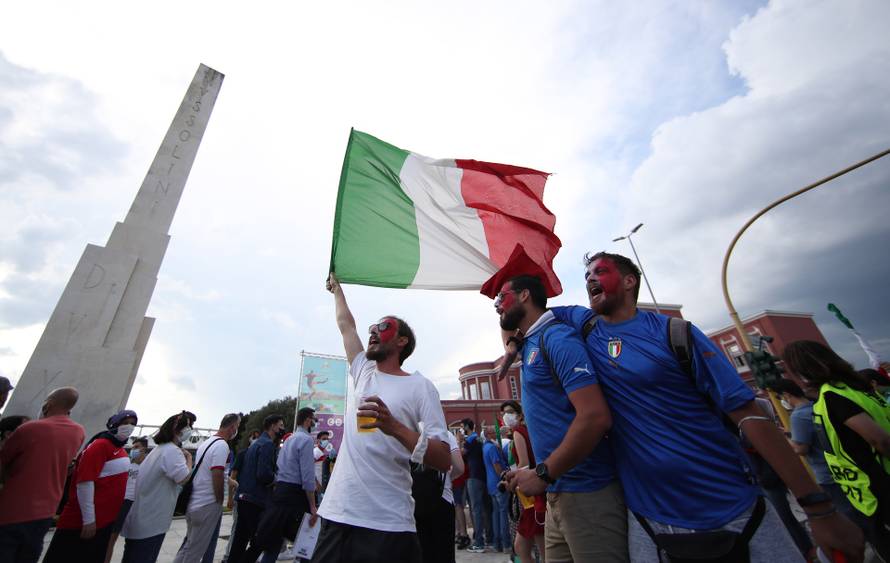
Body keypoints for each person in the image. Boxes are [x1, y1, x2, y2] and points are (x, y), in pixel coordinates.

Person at [545, 251, 863, 562]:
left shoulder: (675, 333)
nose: (590, 280)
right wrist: (517, 341)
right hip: (648, 520)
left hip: (732, 511)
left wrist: (818, 509)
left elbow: (750, 416)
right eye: (587, 276)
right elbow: (535, 313)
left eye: (599, 272)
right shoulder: (584, 325)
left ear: (629, 281)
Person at [312, 273, 451, 563]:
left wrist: (394, 427)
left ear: (402, 341)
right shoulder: (364, 371)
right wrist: (337, 290)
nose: (373, 331)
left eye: (383, 327)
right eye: (372, 327)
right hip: (338, 514)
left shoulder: (420, 387)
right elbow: (346, 325)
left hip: (387, 523)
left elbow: (443, 458)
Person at [494, 274, 626, 562]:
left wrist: (542, 473)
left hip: (589, 495)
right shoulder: (529, 344)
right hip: (556, 496)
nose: (496, 305)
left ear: (525, 295)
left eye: (501, 297)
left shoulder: (557, 338)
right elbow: (506, 328)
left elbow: (594, 417)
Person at [784, 340, 890, 560]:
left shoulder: (832, 396)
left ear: (803, 371)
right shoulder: (856, 388)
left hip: (876, 489)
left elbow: (879, 440)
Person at [0, 387, 84, 563]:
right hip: (45, 512)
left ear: (49, 403)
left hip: (12, 509)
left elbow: (4, 461)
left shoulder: (29, 429)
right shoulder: (78, 432)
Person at [45, 409, 138, 563]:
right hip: (83, 523)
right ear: (115, 423)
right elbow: (85, 482)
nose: (129, 427)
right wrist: (89, 520)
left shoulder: (120, 449)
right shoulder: (101, 445)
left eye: (133, 424)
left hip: (105, 522)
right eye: (125, 423)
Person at [243, 407, 318, 563]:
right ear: (308, 420)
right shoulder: (306, 440)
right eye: (314, 420)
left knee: (274, 542)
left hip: (280, 494)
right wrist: (312, 505)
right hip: (295, 497)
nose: (315, 424)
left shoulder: (289, 439)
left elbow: (279, 465)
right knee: (305, 542)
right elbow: (307, 476)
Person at [771, 378, 854, 518]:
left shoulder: (797, 416)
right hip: (844, 466)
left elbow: (800, 449)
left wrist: (784, 438)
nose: (781, 401)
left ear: (786, 394)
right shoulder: (816, 406)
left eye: (780, 397)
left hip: (826, 473)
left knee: (846, 512)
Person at [121, 411, 195, 563]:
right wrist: (189, 459)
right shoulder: (173, 451)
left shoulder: (160, 449)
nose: (190, 430)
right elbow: (184, 478)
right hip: (151, 524)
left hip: (142, 520)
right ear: (176, 429)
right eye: (188, 426)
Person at [173, 413, 240, 563]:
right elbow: (217, 473)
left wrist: (230, 482)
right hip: (207, 504)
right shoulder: (222, 445)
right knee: (195, 553)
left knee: (188, 546)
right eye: (237, 427)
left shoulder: (207, 443)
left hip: (194, 503)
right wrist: (219, 500)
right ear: (232, 427)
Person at [227, 414, 285, 563]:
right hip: (256, 500)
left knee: (239, 541)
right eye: (281, 425)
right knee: (263, 540)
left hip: (244, 497)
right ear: (272, 426)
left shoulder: (256, 444)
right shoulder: (267, 445)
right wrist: (276, 479)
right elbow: (263, 474)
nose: (282, 429)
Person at [500, 400, 545, 563]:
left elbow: (524, 464)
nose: (506, 415)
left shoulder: (519, 431)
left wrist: (511, 479)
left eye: (510, 411)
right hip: (535, 493)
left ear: (519, 414)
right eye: (504, 412)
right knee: (522, 546)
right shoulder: (527, 430)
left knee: (539, 548)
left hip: (532, 496)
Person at [105, 437, 150, 563]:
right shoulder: (126, 465)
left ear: (144, 450)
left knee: (132, 541)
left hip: (137, 505)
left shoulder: (148, 467)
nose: (133, 450)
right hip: (122, 503)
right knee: (111, 538)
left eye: (136, 447)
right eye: (132, 448)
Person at [220, 430, 260, 563]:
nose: (256, 439)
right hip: (240, 497)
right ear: (249, 438)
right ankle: (228, 557)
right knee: (237, 530)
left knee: (245, 533)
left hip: (253, 500)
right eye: (253, 437)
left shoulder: (260, 455)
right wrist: (230, 498)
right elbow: (233, 476)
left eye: (258, 437)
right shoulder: (243, 454)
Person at [460, 418, 490, 553]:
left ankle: (479, 542)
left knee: (476, 510)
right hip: (483, 476)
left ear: (467, 426)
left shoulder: (469, 440)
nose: (461, 429)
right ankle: (490, 538)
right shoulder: (479, 439)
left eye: (462, 427)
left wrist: (459, 440)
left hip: (473, 477)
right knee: (485, 509)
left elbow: (461, 454)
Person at [481, 427, 509, 554]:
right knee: (503, 514)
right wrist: (504, 478)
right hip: (498, 483)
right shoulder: (492, 448)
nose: (495, 435)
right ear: (488, 435)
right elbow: (497, 465)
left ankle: (497, 543)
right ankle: (505, 543)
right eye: (493, 433)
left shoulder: (485, 447)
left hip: (491, 484)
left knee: (496, 514)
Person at [312, 430, 335, 494]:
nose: (326, 441)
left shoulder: (321, 452)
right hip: (316, 487)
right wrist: (316, 483)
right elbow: (308, 468)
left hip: (321, 485)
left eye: (327, 439)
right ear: (318, 440)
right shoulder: (316, 452)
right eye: (324, 439)